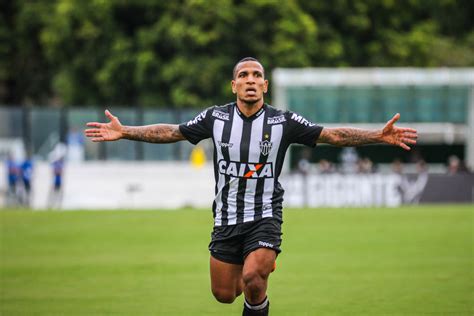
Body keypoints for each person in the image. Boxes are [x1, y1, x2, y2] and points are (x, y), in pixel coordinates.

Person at [85, 57, 418, 315]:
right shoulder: (215, 118)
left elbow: (331, 135)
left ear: (265, 85)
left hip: (264, 215)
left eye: (256, 76)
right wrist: (125, 130)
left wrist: (378, 135)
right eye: (243, 76)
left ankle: (261, 260)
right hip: (226, 219)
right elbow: (172, 131)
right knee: (224, 295)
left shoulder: (283, 122)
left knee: (253, 279)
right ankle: (258, 264)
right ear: (234, 86)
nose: (250, 81)